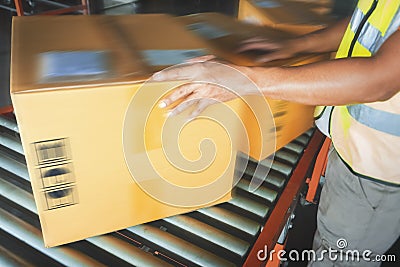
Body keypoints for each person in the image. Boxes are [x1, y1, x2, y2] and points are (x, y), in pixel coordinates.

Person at [153, 0, 400, 266]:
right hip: (352, 149)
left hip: (378, 174)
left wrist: (247, 81)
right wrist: (296, 45)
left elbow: (381, 79)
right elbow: (364, 22)